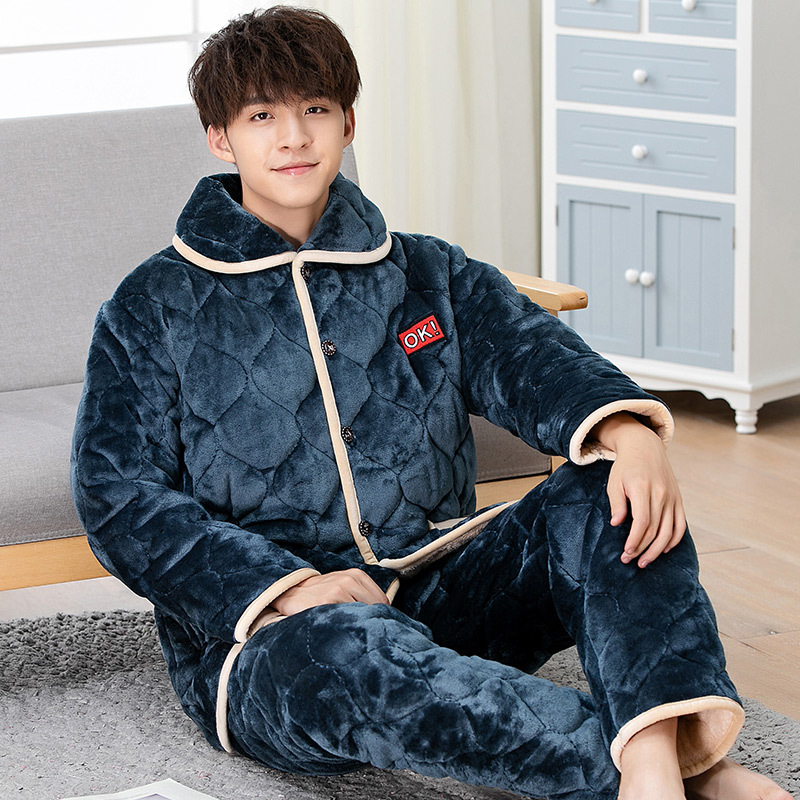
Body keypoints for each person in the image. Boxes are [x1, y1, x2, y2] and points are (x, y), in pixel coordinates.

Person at [70, 7, 793, 800]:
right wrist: (290, 588)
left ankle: (656, 760)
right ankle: (681, 776)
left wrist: (631, 433)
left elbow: (531, 355)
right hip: (275, 644)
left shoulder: (428, 273)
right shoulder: (152, 305)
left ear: (348, 123)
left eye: (315, 109)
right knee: (347, 654)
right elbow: (116, 496)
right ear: (221, 138)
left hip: (442, 584)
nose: (294, 138)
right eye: (262, 117)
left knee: (609, 488)